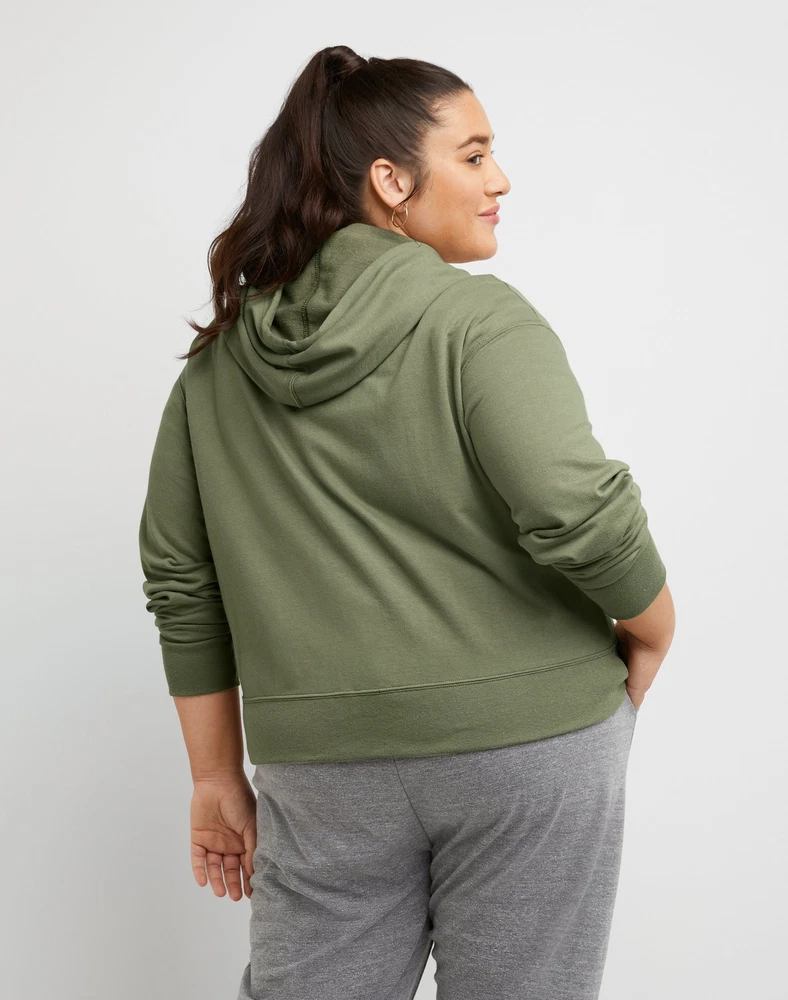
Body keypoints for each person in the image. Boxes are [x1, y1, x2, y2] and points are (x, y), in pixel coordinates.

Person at [138, 45, 676, 1000]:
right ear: (390, 182)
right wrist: (655, 622)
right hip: (532, 741)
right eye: (473, 155)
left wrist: (215, 778)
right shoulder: (477, 323)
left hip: (322, 768)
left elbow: (183, 581)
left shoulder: (216, 370)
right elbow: (573, 506)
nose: (499, 180)